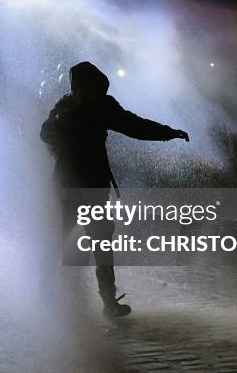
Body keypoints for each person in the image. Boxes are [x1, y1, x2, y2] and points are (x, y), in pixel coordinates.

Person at [40, 61, 189, 317]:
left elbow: (134, 125)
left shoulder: (95, 105)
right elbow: (45, 133)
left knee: (97, 241)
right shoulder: (70, 107)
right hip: (71, 184)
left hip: (88, 185)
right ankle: (47, 292)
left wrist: (168, 133)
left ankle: (106, 301)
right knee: (66, 239)